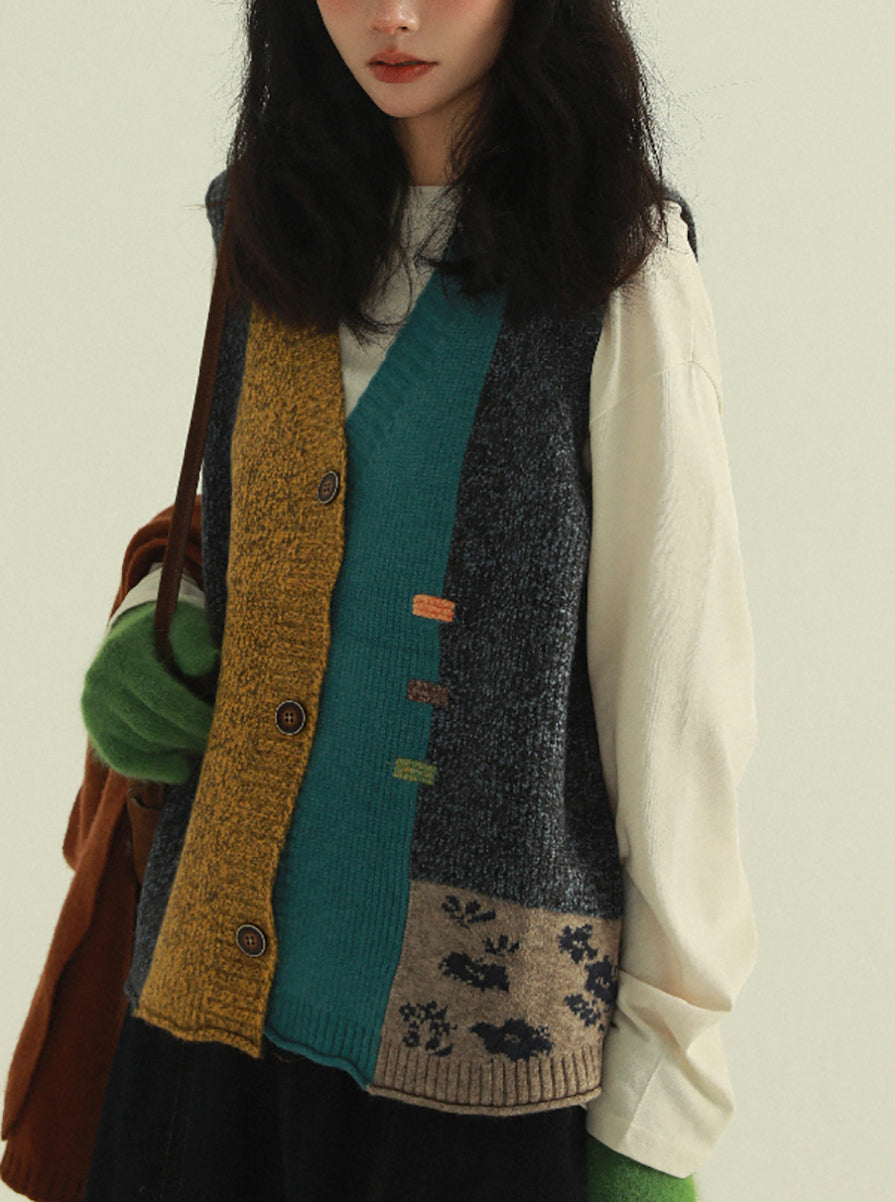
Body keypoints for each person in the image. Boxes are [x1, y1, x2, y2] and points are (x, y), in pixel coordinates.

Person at [73, 1, 758, 1200]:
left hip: (472, 1092)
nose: (392, 15)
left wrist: (660, 1115)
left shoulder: (620, 272)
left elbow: (677, 705)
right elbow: (253, 522)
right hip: (194, 1044)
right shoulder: (268, 227)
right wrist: (153, 610)